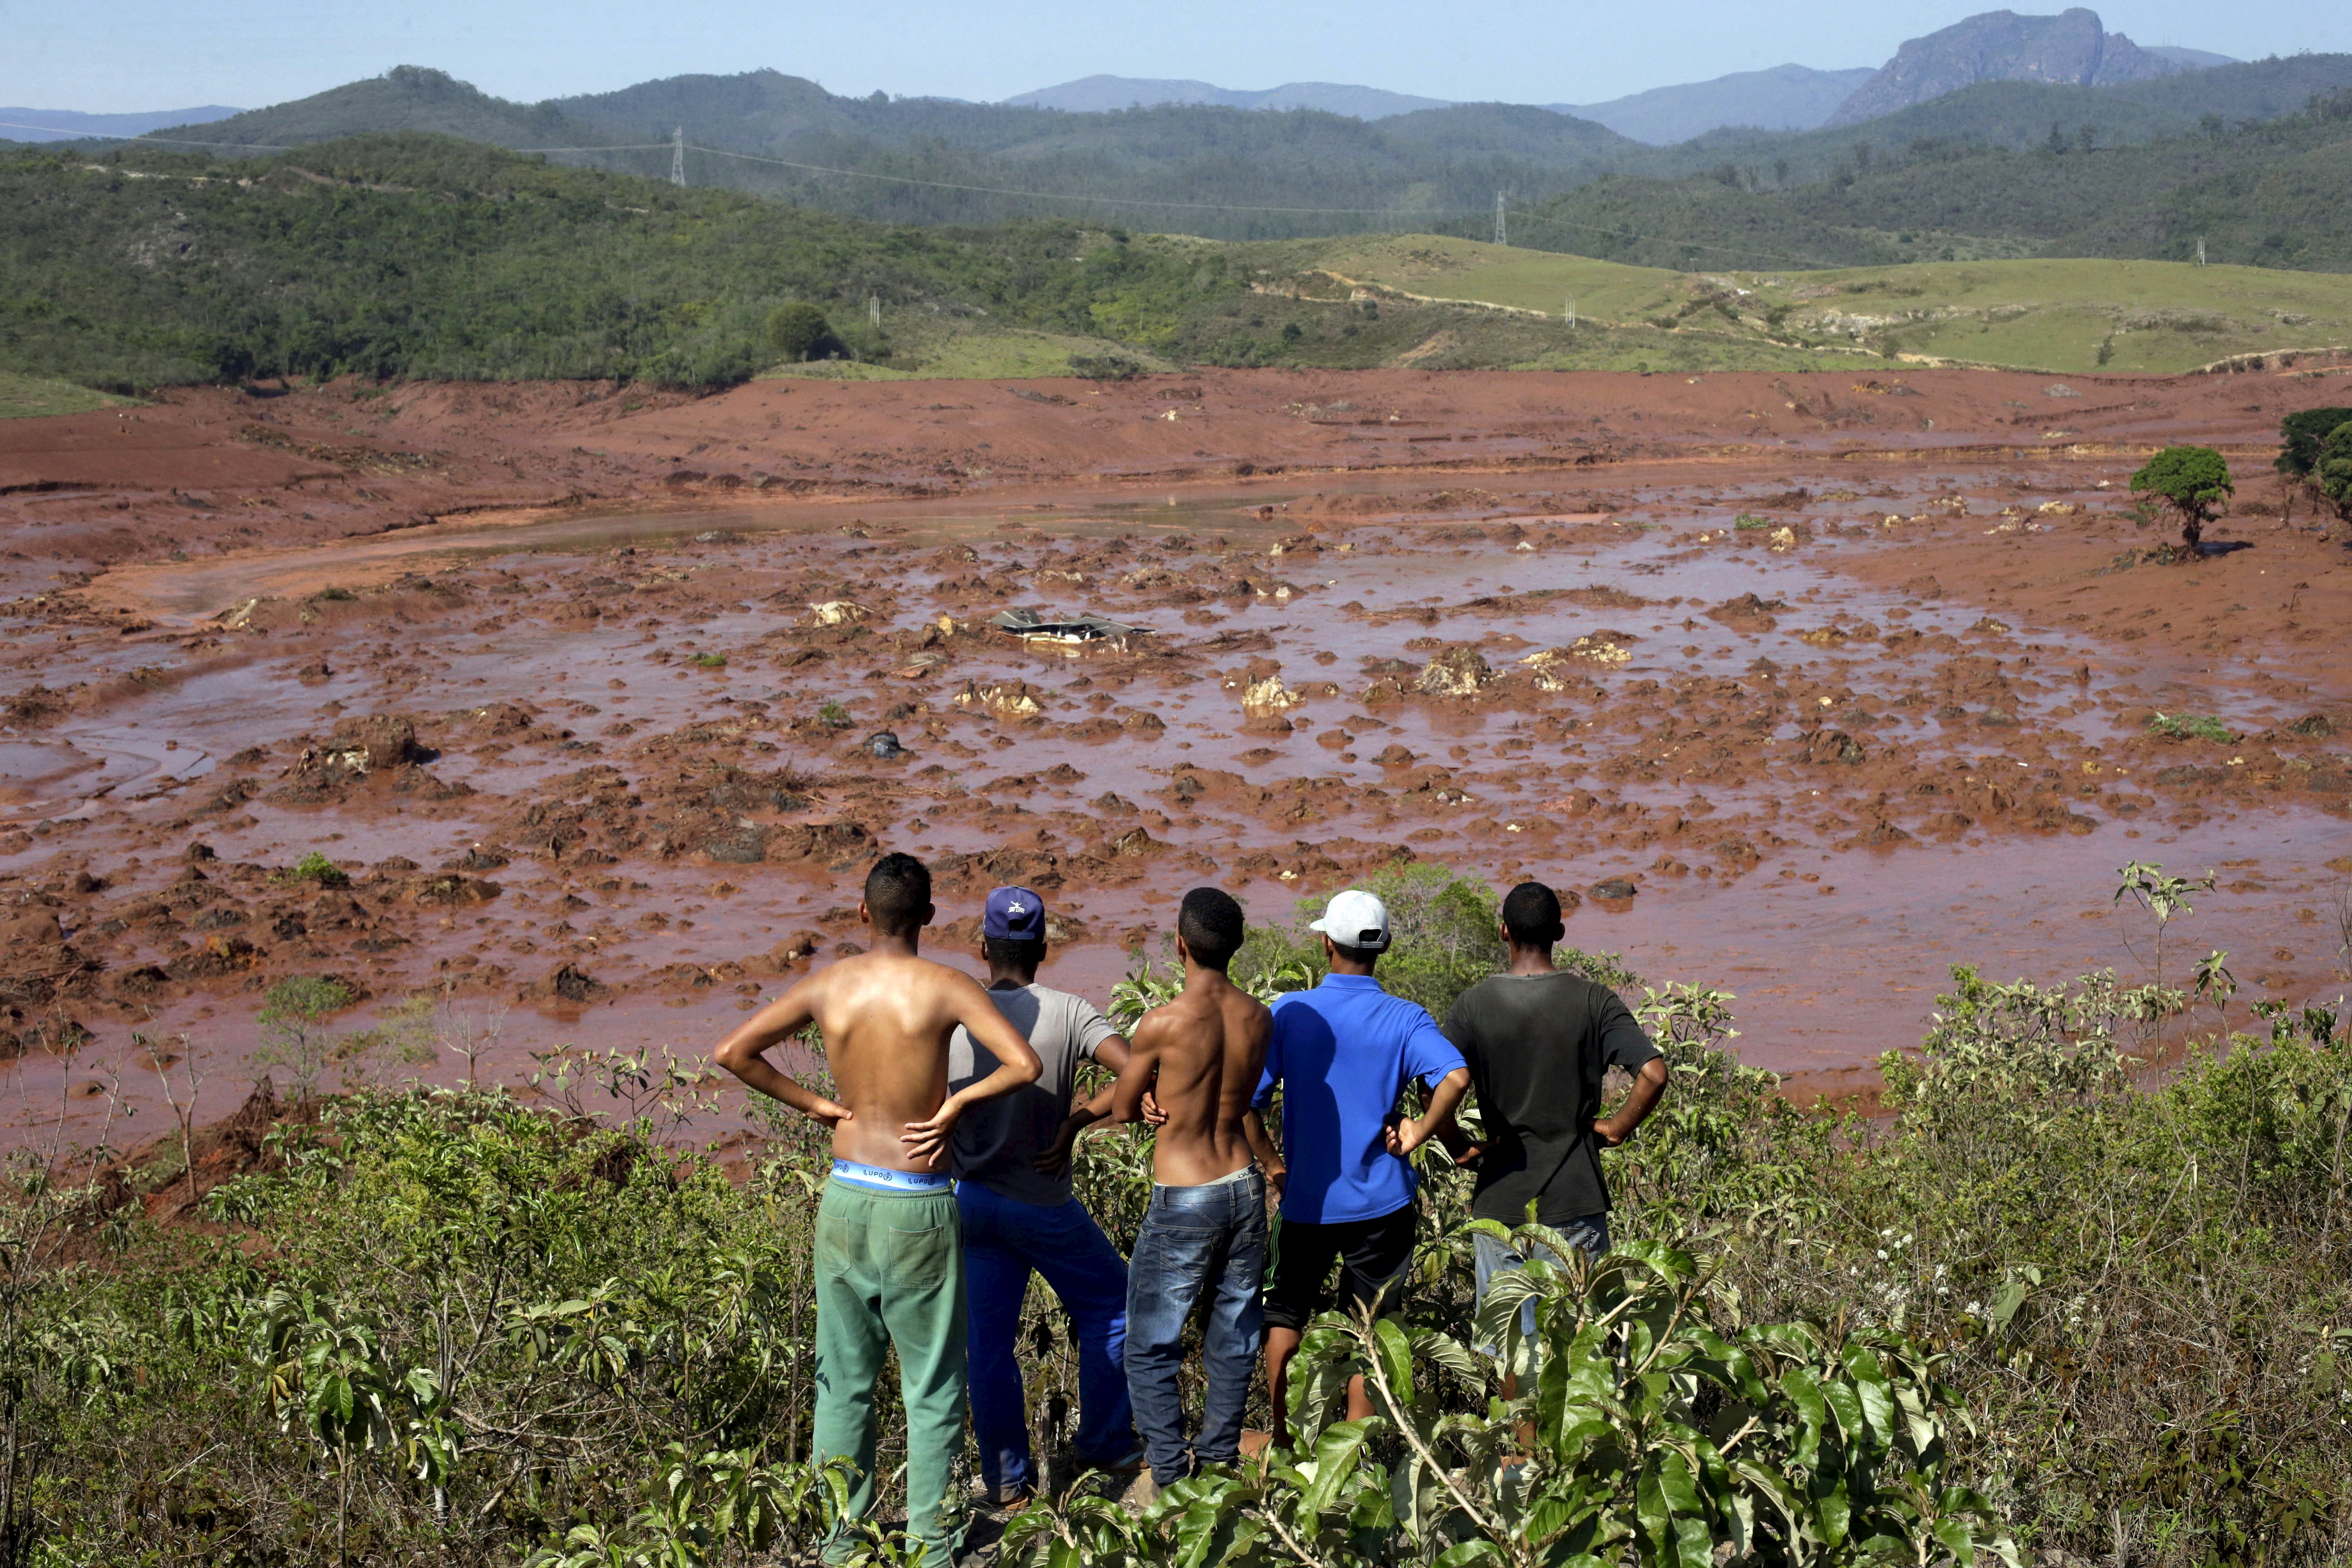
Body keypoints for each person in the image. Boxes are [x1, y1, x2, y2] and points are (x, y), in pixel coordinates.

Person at [711, 853, 1042, 1566]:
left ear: (863, 914)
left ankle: (841, 1544)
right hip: (918, 1200)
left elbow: (734, 1051)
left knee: (843, 1379)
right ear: (928, 917)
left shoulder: (830, 984)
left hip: (847, 1193)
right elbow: (1024, 1064)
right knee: (930, 1383)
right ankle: (929, 1544)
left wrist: (817, 1105)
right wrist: (954, 1105)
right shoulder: (947, 986)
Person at [1251, 888, 1472, 1452]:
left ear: (1326, 943)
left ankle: (1281, 1438)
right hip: (1384, 1206)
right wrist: (1420, 1133)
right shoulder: (1405, 1017)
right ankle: (1356, 1451)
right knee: (1369, 1325)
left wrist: (1275, 1167)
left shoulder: (1290, 1013)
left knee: (1284, 1313)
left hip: (1307, 1201)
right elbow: (1456, 1077)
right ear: (1384, 949)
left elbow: (1248, 1105)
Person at [948, 886, 1144, 1509]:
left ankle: (1008, 1482)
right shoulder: (1071, 1011)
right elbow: (1138, 1072)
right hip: (1043, 1203)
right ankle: (1106, 1443)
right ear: (1044, 949)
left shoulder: (954, 1016)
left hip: (973, 1203)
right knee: (1114, 1305)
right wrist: (1076, 1122)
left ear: (982, 948)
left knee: (988, 1343)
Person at [1430, 880, 1668, 1372]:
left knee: (1514, 1348)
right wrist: (1618, 1127)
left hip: (1502, 1205)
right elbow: (1653, 1073)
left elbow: (1434, 1081)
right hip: (1575, 1201)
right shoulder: (1594, 1001)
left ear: (1504, 933)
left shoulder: (1473, 1006)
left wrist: (1458, 1144)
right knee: (1580, 1345)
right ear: (1560, 931)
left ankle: (1519, 1451)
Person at [1107, 887, 1278, 1493]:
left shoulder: (1162, 1023)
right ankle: (1221, 1461)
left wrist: (1149, 1093)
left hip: (1185, 1192)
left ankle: (1173, 1478)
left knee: (1152, 1344)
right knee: (1233, 1335)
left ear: (1179, 944)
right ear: (1236, 947)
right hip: (1242, 1181)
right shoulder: (1260, 1016)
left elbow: (1126, 1108)